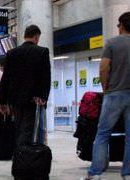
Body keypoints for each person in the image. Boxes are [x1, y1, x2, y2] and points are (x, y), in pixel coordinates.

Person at [84, 12, 130, 180]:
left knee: (103, 134)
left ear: (122, 25)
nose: (117, 27)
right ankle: (127, 173)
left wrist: (106, 88)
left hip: (114, 94)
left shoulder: (111, 43)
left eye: (118, 25)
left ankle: (96, 172)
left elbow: (104, 68)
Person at [0, 25, 51, 146]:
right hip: (34, 99)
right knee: (30, 129)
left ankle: (21, 153)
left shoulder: (11, 53)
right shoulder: (42, 51)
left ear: (24, 36)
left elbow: (5, 78)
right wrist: (43, 96)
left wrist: (2, 101)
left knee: (19, 127)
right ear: (36, 37)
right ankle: (25, 154)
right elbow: (45, 77)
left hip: (15, 100)